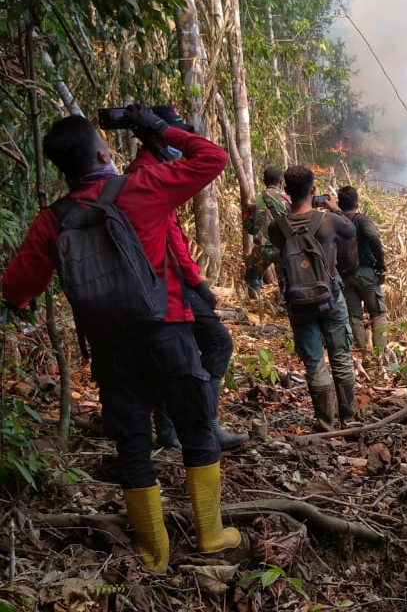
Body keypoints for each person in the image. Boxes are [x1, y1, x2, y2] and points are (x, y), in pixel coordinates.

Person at [1, 108, 240, 573]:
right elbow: (212, 157)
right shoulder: (138, 189)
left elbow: (16, 288)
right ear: (101, 152)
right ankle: (210, 535)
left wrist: (27, 298)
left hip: (110, 345)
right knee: (194, 426)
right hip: (167, 328)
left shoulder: (55, 219)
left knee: (132, 441)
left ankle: (154, 553)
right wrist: (153, 126)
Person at [126, 108, 248, 451]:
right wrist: (196, 282)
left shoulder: (150, 170)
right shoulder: (149, 174)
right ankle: (202, 425)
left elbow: (171, 233)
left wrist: (195, 282)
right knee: (215, 344)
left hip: (163, 283)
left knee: (178, 355)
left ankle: (175, 430)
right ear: (156, 136)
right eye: (173, 133)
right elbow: (171, 237)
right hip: (162, 285)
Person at [267, 165, 358, 431]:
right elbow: (351, 232)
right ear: (313, 189)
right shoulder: (329, 221)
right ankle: (349, 420)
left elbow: (280, 248)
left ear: (285, 192)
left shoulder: (278, 228)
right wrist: (334, 208)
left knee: (314, 363)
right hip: (331, 297)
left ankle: (325, 424)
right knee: (340, 357)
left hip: (298, 303)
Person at [332, 185, 389, 354]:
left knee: (354, 316)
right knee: (378, 312)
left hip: (344, 275)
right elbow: (373, 237)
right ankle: (379, 356)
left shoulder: (334, 221)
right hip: (365, 272)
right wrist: (381, 265)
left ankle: (364, 354)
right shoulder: (361, 220)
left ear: (340, 204)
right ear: (357, 203)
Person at [243, 167, 290, 299]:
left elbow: (248, 227)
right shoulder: (288, 200)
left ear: (264, 181)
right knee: (286, 280)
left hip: (262, 249)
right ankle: (284, 305)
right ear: (281, 181)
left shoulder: (254, 201)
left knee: (252, 276)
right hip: (283, 249)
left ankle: (255, 303)